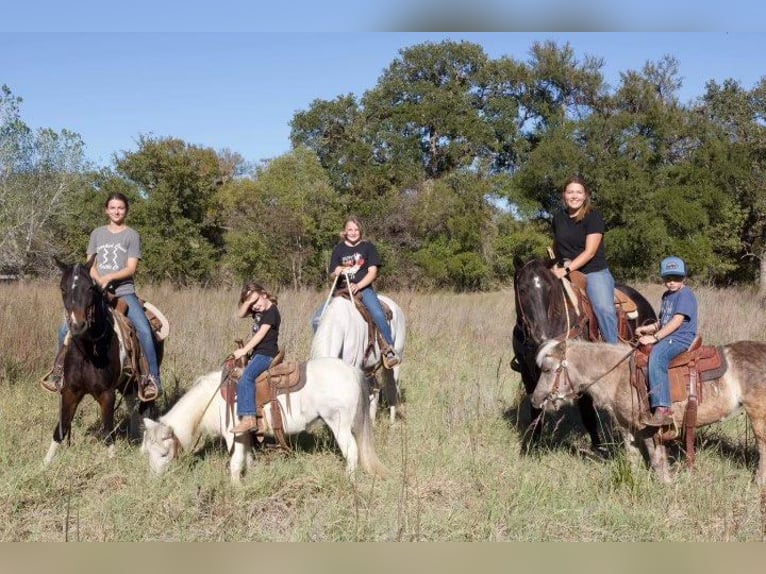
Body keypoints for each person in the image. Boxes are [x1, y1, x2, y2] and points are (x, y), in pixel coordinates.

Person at [41, 192, 162, 400]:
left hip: (124, 291)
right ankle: (59, 373)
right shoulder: (97, 234)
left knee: (144, 328)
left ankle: (152, 378)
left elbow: (131, 267)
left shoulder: (131, 235)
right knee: (64, 329)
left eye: (121, 208)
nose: (116, 211)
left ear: (126, 210)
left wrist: (110, 278)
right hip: (96, 291)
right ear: (106, 210)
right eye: (113, 207)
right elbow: (90, 264)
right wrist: (97, 280)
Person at [551, 175, 619, 344]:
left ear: (585, 195)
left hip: (593, 272)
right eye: (570, 192)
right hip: (565, 269)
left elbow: (590, 252)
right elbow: (556, 244)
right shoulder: (558, 218)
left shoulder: (593, 216)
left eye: (579, 192)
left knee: (604, 309)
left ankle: (614, 351)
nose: (574, 196)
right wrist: (553, 265)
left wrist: (566, 270)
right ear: (564, 195)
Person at [328, 216, 400, 368]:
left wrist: (359, 285)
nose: (353, 232)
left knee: (378, 313)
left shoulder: (368, 247)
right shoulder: (338, 249)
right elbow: (332, 274)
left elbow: (372, 272)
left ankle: (389, 349)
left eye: (356, 229)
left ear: (360, 231)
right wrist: (337, 271)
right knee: (318, 317)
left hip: (363, 289)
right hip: (342, 290)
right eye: (350, 229)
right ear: (344, 232)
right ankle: (321, 353)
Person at [635, 256, 698, 427]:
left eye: (676, 278)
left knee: (657, 356)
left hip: (680, 338)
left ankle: (663, 407)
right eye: (668, 278)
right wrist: (648, 329)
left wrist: (655, 338)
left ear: (683, 277)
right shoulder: (666, 296)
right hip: (668, 335)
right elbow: (663, 321)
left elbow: (677, 321)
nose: (672, 282)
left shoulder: (685, 294)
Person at [231, 281, 281, 435]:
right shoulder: (259, 310)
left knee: (246, 377)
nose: (254, 307)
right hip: (258, 354)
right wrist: (249, 301)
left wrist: (244, 350)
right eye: (251, 305)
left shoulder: (272, 312)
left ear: (264, 295)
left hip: (267, 354)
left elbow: (260, 335)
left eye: (256, 301)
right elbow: (240, 314)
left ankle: (249, 418)